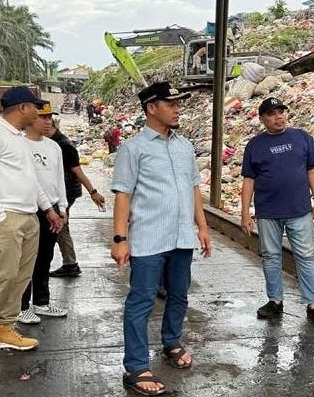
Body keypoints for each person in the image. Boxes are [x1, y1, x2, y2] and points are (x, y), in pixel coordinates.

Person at [111, 81, 211, 395]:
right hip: (148, 239)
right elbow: (123, 195)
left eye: (179, 103)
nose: (178, 109)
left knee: (179, 295)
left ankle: (172, 342)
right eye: (171, 104)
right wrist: (119, 238)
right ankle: (136, 366)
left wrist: (202, 227)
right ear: (151, 108)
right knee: (141, 301)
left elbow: (194, 188)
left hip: (181, 237)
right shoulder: (133, 148)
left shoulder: (185, 146)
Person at [0, 86, 63, 360]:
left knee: (20, 277)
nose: (38, 112)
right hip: (6, 217)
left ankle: (5, 328)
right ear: (22, 108)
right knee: (1, 276)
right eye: (35, 106)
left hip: (28, 216)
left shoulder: (19, 138)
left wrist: (48, 209)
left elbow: (32, 180)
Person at [240, 97, 314, 326]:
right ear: (262, 119)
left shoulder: (302, 138)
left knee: (305, 256)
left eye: (281, 112)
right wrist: (244, 212)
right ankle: (275, 301)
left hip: (299, 210)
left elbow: (313, 171)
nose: (278, 117)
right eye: (272, 114)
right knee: (271, 256)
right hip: (267, 212)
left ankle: (313, 305)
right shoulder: (255, 145)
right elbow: (249, 180)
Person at [18, 102, 70, 324]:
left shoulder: (53, 147)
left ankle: (41, 302)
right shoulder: (20, 145)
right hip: (30, 209)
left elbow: (59, 179)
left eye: (50, 117)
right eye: (43, 117)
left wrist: (63, 208)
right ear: (31, 118)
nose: (48, 121)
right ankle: (21, 306)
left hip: (53, 208)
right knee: (26, 259)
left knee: (45, 256)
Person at [48, 118, 106, 278]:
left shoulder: (63, 145)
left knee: (60, 226)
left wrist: (93, 191)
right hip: (61, 192)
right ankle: (70, 263)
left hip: (65, 193)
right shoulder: (53, 142)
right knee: (60, 226)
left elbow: (77, 170)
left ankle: (70, 264)